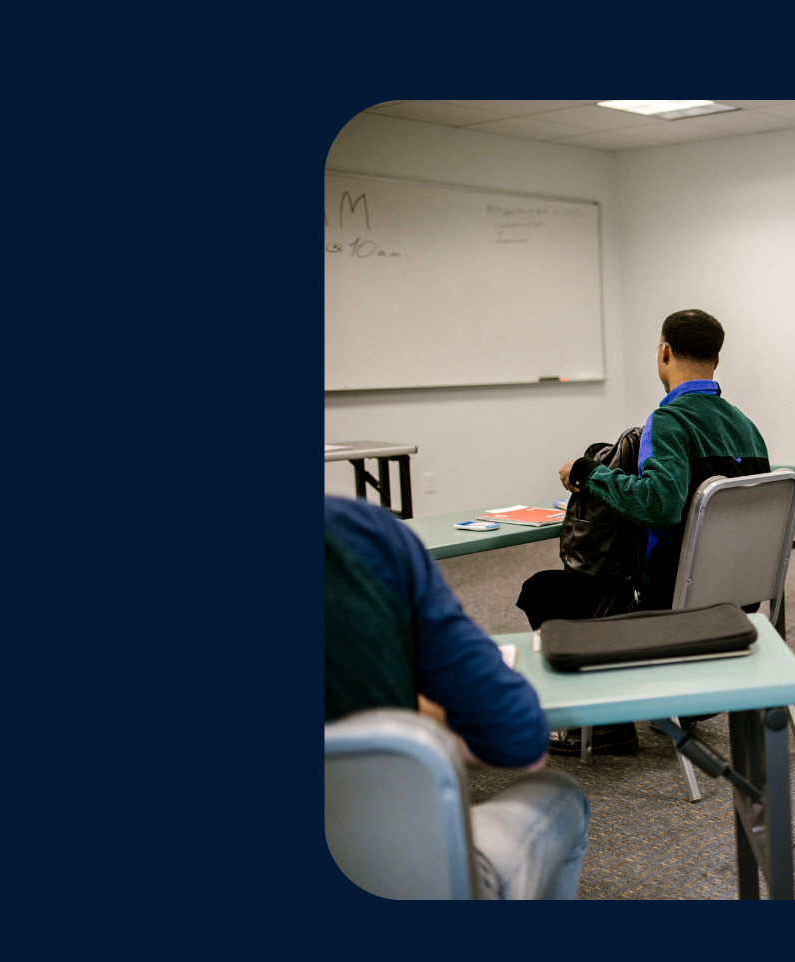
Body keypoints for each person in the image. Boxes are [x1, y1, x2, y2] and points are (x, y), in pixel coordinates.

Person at [326, 495, 588, 899]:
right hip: (399, 879)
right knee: (562, 794)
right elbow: (518, 738)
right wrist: (414, 714)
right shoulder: (361, 535)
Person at [539, 308, 770, 756]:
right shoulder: (747, 426)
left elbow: (658, 504)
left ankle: (606, 726)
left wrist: (589, 472)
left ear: (664, 353)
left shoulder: (669, 421)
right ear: (716, 360)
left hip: (676, 604)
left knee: (548, 592)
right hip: (738, 601)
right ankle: (687, 696)